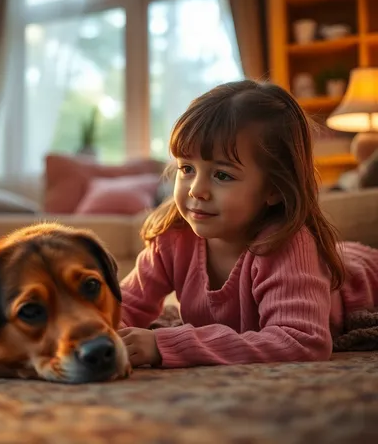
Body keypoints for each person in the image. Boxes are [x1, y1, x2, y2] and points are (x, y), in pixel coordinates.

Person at [118, 79, 378, 369]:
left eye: (222, 175)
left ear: (274, 189)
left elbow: (302, 340)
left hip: (365, 274)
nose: (195, 190)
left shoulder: (287, 244)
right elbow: (122, 306)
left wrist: (166, 343)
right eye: (187, 169)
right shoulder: (172, 239)